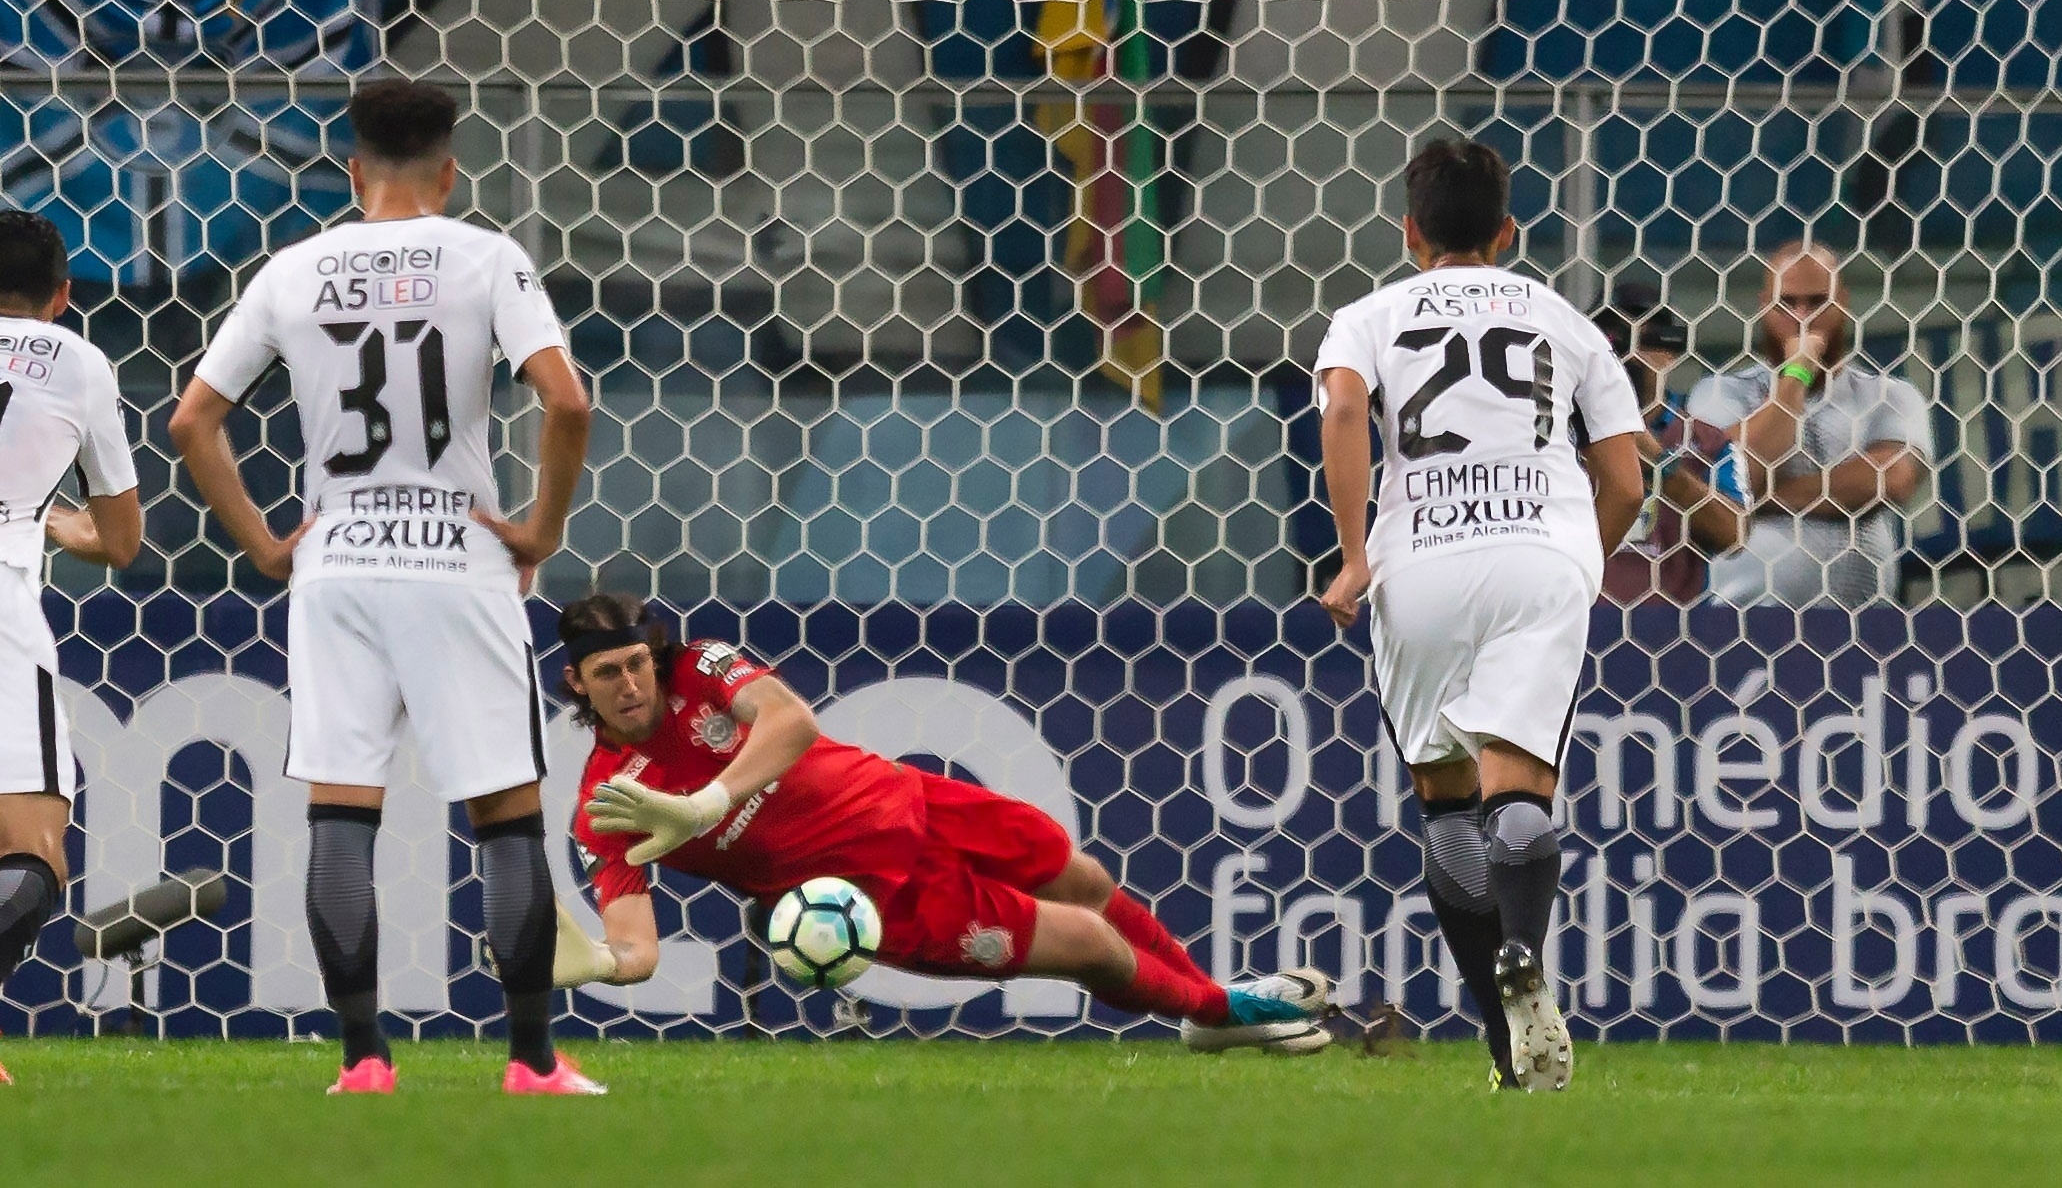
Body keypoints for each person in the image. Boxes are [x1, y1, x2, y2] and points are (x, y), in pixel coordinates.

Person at [168, 77, 599, 1096]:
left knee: (341, 811)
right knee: (503, 808)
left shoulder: (293, 267)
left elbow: (191, 420)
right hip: (456, 557)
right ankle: (531, 1062)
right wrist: (540, 526)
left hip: (339, 561)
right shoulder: (487, 253)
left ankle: (363, 1059)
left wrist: (269, 545)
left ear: (352, 170)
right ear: (451, 171)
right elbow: (567, 400)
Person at [552, 593, 1336, 1053]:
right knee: (1090, 944)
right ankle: (1220, 1012)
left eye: (635, 663)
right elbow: (638, 947)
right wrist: (594, 961)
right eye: (606, 673)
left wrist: (703, 805)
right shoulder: (608, 800)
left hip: (909, 798)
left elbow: (789, 721)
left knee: (1086, 877)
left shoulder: (700, 665)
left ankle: (1201, 1004)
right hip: (880, 894)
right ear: (576, 682)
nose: (628, 683)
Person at [1314, 138, 1644, 1091]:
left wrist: (1353, 553)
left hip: (1418, 564)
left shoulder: (1366, 316)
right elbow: (1623, 475)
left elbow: (1342, 412)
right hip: (1536, 554)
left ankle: (1504, 1041)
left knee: (1447, 802)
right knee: (1519, 793)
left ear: (1409, 231)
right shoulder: (1568, 320)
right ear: (1508, 232)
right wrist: (1580, 561)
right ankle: (1525, 951)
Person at [0, 211, 143, 1092]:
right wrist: (63, 525)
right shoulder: (77, 361)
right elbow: (122, 537)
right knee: (33, 850)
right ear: (61, 295)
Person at [1687, 242, 1932, 608]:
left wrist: (1757, 500)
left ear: (1843, 301)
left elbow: (1890, 479)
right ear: (1764, 305)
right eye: (1787, 303)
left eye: (1817, 302)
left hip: (1866, 627)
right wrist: (1797, 373)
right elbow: (1740, 473)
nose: (1802, 316)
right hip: (1744, 626)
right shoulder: (1720, 392)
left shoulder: (1891, 394)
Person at [1591, 280, 1751, 607]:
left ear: (1669, 352)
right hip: (1583, 626)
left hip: (1676, 633)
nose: (1625, 355)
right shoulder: (1560, 435)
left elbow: (1733, 535)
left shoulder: (1706, 441)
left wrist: (1660, 463)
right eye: (1613, 340)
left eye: (1642, 340)